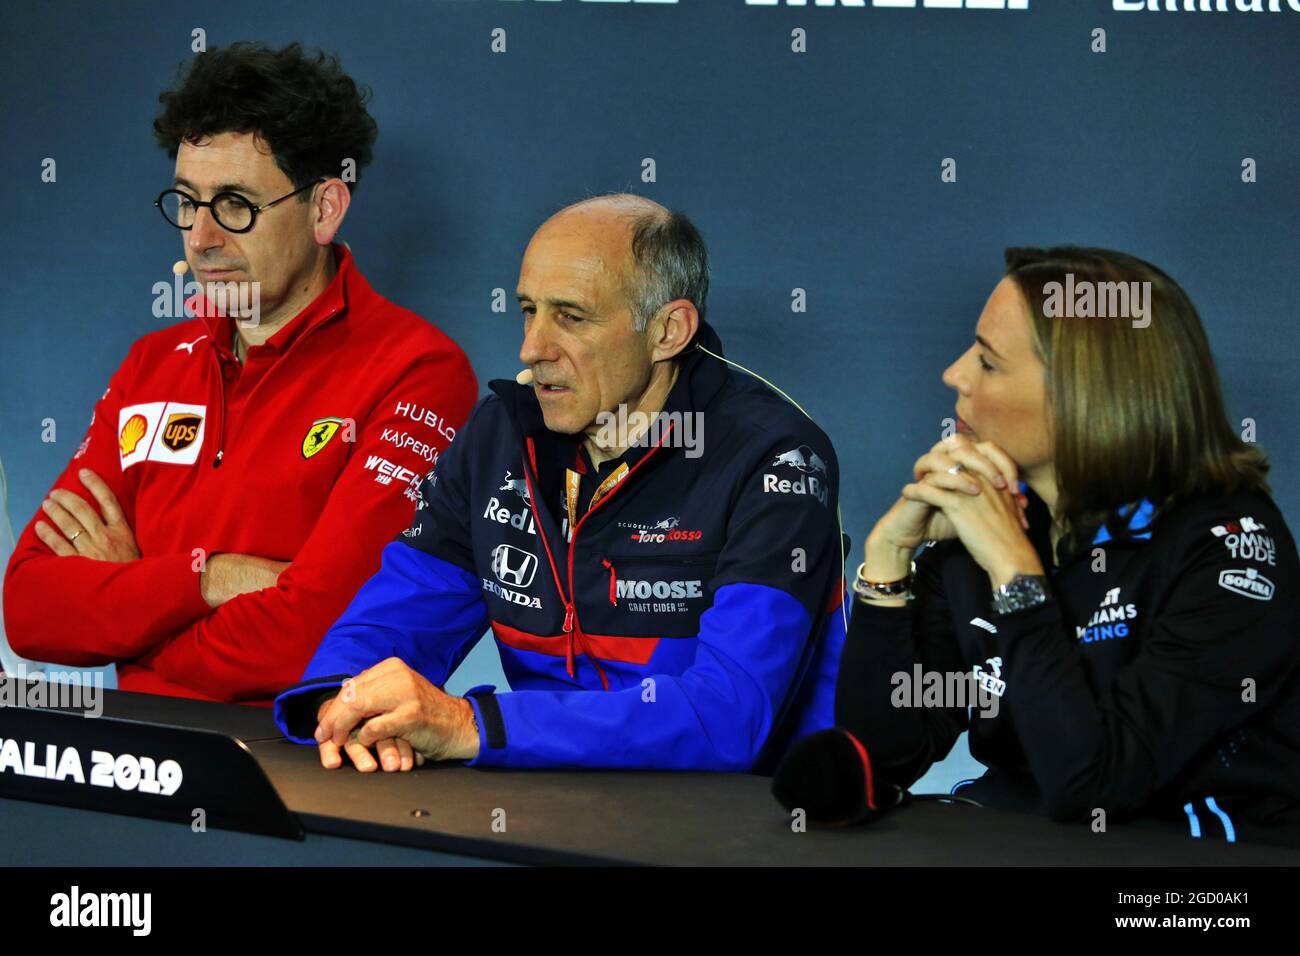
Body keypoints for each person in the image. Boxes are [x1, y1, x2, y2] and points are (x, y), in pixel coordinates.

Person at [274, 194, 846, 773]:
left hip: (732, 827)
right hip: (545, 801)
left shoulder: (776, 458)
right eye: (529, 310)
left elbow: (727, 719)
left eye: (570, 317)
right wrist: (346, 703)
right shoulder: (500, 433)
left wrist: (471, 726)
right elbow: (397, 614)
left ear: (668, 330)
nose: (532, 348)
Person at [2, 42, 477, 704]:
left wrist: (134, 606)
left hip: (306, 777)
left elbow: (319, 638)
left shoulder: (418, 371)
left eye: (234, 204)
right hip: (135, 771)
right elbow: (30, 608)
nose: (199, 238)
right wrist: (209, 577)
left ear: (324, 209)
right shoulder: (152, 364)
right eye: (186, 202)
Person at [836, 245, 1300, 846]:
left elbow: (1094, 784)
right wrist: (889, 564)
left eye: (988, 361)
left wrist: (1014, 572)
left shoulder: (1229, 549)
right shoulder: (992, 521)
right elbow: (882, 755)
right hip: (1023, 840)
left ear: (1085, 397)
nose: (954, 374)